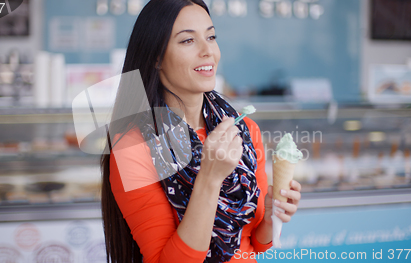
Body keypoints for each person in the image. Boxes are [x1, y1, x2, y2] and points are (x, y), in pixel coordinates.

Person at [100, 0, 302, 262]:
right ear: (156, 58)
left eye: (211, 36)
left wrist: (273, 214)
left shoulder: (243, 130)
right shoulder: (133, 148)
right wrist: (209, 178)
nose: (208, 51)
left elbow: (254, 242)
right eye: (188, 41)